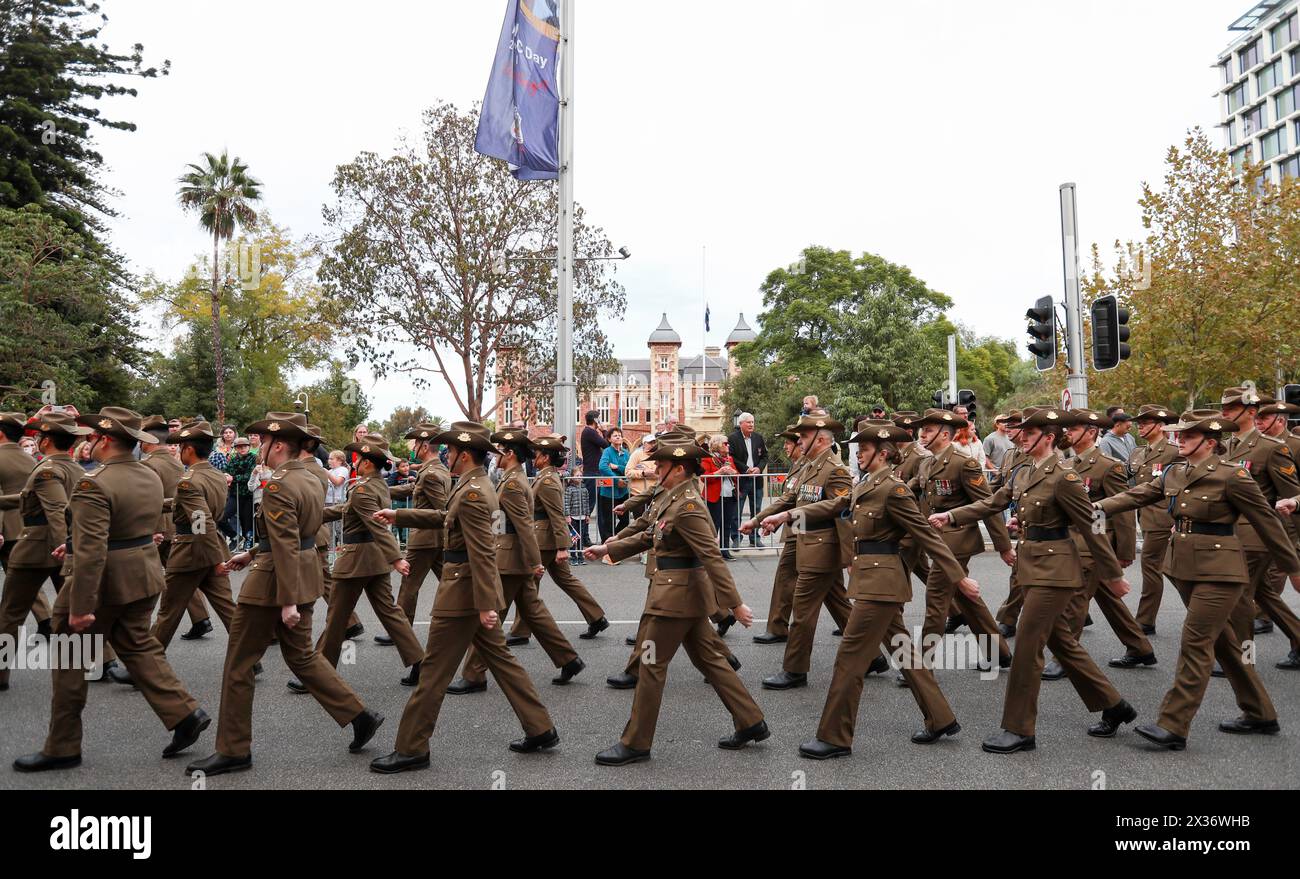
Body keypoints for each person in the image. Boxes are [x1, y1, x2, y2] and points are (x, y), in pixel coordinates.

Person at [15, 407, 211, 772]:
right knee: (138, 646)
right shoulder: (148, 474)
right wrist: (73, 543)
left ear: (104, 440)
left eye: (91, 438)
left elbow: (92, 551)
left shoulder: (94, 482)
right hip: (143, 572)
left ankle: (62, 746)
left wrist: (80, 605)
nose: (87, 444)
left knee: (71, 658)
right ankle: (185, 713)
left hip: (104, 582)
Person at [188, 412, 383, 777]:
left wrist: (288, 600)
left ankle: (233, 749)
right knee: (303, 658)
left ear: (277, 444)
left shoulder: (277, 484)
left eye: (262, 441)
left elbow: (286, 541)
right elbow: (292, 534)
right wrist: (251, 552)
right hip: (301, 572)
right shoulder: (308, 478)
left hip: (274, 584)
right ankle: (360, 715)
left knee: (238, 663)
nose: (259, 447)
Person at [931, 408, 1136, 754]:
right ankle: (1115, 706)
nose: (1020, 436)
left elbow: (1091, 527)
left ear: (1049, 437)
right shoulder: (1024, 471)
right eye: (1020, 431)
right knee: (1063, 644)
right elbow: (993, 503)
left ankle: (1019, 729)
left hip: (1056, 573)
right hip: (1031, 566)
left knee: (1027, 647)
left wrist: (1114, 575)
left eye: (1029, 432)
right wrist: (952, 515)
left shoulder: (1065, 478)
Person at [1098, 410, 1300, 750]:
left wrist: (1293, 567)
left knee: (1194, 642)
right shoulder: (1176, 472)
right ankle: (1260, 713)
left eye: (1188, 437)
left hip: (1221, 572)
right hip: (1185, 570)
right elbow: (1134, 496)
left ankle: (1173, 724)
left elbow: (1267, 522)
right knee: (1225, 646)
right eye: (1179, 436)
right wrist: (1092, 509)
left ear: (1209, 442)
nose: (1179, 441)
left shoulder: (1232, 476)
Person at [369, 422, 558, 773]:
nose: (446, 455)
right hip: (468, 590)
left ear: (464, 454)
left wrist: (487, 603)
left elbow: (483, 552)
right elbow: (445, 518)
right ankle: (540, 727)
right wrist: (400, 514)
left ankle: (412, 748)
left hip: (461, 594)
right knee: (501, 660)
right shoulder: (474, 485)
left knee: (433, 674)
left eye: (450, 451)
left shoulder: (473, 491)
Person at [585, 438, 767, 765]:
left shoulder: (688, 506)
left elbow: (711, 557)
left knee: (651, 666)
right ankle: (751, 720)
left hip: (674, 598)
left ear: (679, 469)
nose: (655, 469)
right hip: (683, 597)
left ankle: (636, 742)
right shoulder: (673, 499)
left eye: (661, 465)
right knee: (711, 661)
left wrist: (735, 604)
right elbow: (648, 535)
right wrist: (609, 548)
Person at [798, 420, 972, 759]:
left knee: (849, 659)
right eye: (858, 449)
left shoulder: (894, 489)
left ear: (883, 453)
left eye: (863, 449)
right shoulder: (866, 484)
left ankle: (835, 737)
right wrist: (782, 516)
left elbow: (925, 534)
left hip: (882, 584)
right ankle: (941, 718)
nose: (858, 453)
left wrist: (959, 577)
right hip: (873, 580)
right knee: (904, 649)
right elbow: (834, 506)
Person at [448, 428, 585, 692]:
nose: (495, 456)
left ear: (510, 453)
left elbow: (524, 526)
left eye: (500, 451)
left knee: (490, 617)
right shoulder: (513, 478)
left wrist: (536, 562)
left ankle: (474, 674)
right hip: (514, 556)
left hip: (511, 559)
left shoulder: (511, 483)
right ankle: (568, 659)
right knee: (533, 611)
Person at [296, 434, 424, 689]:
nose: (355, 463)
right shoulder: (375, 485)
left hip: (357, 560)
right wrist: (312, 515)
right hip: (374, 559)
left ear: (366, 463)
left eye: (359, 460)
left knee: (336, 618)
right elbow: (345, 510)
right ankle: (420, 662)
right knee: (390, 613)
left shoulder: (364, 488)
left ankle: (319, 676)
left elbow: (375, 524)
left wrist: (397, 558)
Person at [1040, 409, 1153, 679]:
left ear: (1091, 433)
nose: (1067, 433)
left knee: (1075, 600)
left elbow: (1123, 509)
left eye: (1073, 429)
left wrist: (1123, 551)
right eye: (1067, 429)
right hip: (1073, 541)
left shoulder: (1108, 465)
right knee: (1108, 598)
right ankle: (1139, 647)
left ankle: (1064, 658)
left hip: (1095, 542)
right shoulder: (1068, 465)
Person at [747, 413, 855, 690]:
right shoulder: (808, 466)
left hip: (823, 548)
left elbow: (840, 507)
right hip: (808, 544)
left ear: (819, 440)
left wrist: (788, 516)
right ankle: (874, 656)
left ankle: (795, 670)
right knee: (838, 603)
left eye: (803, 437)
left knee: (803, 611)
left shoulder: (836, 469)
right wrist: (760, 519)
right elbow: (788, 499)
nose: (798, 441)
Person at [907, 408, 1014, 677]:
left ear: (945, 434)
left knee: (936, 599)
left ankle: (922, 665)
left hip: (957, 541)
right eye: (923, 429)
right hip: (936, 539)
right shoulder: (926, 463)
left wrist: (1003, 546)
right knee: (966, 599)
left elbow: (987, 505)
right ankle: (998, 652)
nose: (922, 434)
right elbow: (918, 500)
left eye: (929, 430)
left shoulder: (963, 463)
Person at [0, 412, 88, 691]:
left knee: (11, 613)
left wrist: (66, 548)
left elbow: (56, 511)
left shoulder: (46, 468)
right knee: (77, 608)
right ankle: (102, 661)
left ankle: (0, 673)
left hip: (39, 547)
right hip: (65, 545)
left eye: (39, 437)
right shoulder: (77, 469)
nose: (35, 440)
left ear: (46, 440)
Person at [148, 421, 241, 653]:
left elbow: (201, 521)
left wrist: (214, 560)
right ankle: (250, 657)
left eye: (181, 448)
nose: (179, 452)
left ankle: (146, 662)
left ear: (189, 449)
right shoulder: (217, 476)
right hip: (213, 546)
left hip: (191, 551)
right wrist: (153, 506)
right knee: (228, 608)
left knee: (168, 611)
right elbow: (192, 506)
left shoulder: (189, 482)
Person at [1218, 387, 1300, 649]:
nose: (1224, 413)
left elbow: (1293, 495)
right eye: (1224, 408)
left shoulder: (1271, 448)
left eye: (1230, 409)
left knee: (1239, 593)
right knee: (1264, 595)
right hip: (1229, 532)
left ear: (1250, 412)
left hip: (1257, 535)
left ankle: (1242, 657)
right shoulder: (1224, 446)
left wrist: (1292, 545)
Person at [506, 435, 608, 643]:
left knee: (528, 583)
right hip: (547, 538)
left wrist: (563, 547)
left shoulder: (548, 481)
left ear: (545, 457)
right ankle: (596, 617)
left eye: (537, 455)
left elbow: (557, 516)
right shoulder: (546, 478)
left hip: (545, 540)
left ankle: (520, 631)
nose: (533, 458)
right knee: (566, 580)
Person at [385, 425, 450, 630]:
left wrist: (400, 516)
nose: (413, 448)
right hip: (436, 540)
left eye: (415, 444)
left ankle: (402, 631)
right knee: (450, 583)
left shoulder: (430, 474)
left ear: (424, 445)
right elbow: (414, 490)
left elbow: (443, 511)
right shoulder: (436, 470)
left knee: (409, 586)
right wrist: (383, 490)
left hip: (424, 539)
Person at [1126, 404, 1181, 635]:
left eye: (1146, 423)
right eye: (1139, 423)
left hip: (1163, 518)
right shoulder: (1138, 452)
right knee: (1163, 567)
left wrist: (1176, 519)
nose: (1141, 427)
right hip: (1146, 518)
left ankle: (1145, 620)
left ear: (1159, 426)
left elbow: (1181, 486)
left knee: (1153, 566)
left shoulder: (1173, 451)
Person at [1254, 396, 1300, 668]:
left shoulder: (1294, 445)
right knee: (1265, 580)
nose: (1258, 422)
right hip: (1269, 526)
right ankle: (1263, 617)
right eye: (1256, 418)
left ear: (1280, 420)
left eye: (1263, 419)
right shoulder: (1256, 446)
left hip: (1293, 525)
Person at [752, 425, 806, 644]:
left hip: (803, 532)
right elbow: (789, 500)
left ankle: (778, 627)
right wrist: (770, 522)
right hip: (797, 530)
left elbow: (794, 501)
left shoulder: (806, 467)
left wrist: (760, 520)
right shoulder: (798, 466)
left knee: (786, 578)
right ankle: (777, 626)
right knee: (832, 592)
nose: (785, 447)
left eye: (788, 443)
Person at [729, 412, 769, 548]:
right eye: (748, 422)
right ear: (741, 424)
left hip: (756, 480)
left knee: (757, 510)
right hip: (741, 480)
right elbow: (732, 458)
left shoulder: (758, 438)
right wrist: (746, 469)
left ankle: (755, 538)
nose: (751, 424)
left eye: (752, 422)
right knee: (737, 510)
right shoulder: (733, 439)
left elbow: (765, 456)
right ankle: (736, 538)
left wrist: (759, 468)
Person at [701, 435, 739, 560]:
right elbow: (704, 477)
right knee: (713, 525)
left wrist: (733, 473)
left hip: (729, 495)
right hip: (713, 496)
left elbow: (737, 475)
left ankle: (725, 551)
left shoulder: (730, 459)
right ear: (717, 445)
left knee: (726, 524)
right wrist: (720, 472)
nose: (728, 446)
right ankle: (711, 552)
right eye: (725, 443)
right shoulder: (708, 458)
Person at [579, 410, 609, 548]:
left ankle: (604, 538)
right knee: (589, 507)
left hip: (595, 473)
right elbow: (606, 445)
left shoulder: (590, 433)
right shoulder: (589, 432)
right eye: (600, 420)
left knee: (601, 508)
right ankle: (583, 538)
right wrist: (604, 431)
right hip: (592, 474)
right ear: (596, 420)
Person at [596, 428, 630, 543]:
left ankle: (614, 541)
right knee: (608, 522)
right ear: (609, 439)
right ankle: (607, 549)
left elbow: (629, 469)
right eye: (615, 435)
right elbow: (603, 467)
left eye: (620, 435)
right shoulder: (607, 451)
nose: (618, 437)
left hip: (623, 493)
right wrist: (617, 480)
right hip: (608, 493)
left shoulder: (626, 453)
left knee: (625, 520)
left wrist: (617, 467)